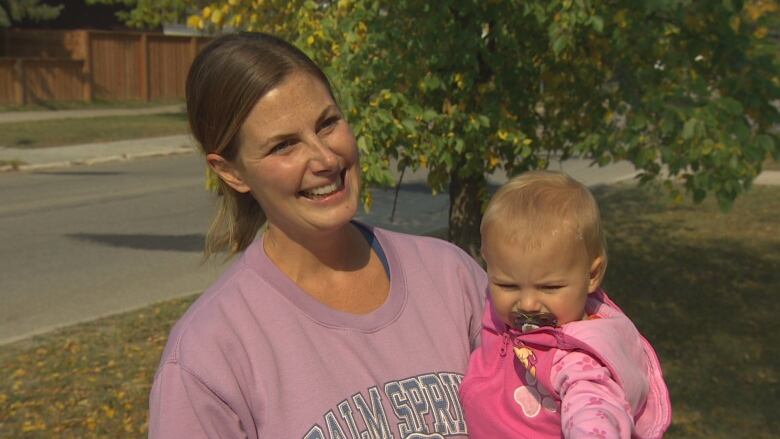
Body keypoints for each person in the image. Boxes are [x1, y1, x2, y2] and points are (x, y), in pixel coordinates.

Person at [148, 32, 487, 439]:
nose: (325, 159)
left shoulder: (452, 279)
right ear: (231, 172)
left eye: (327, 124)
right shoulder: (209, 356)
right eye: (284, 146)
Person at [459, 171, 671, 438]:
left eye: (550, 287)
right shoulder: (500, 307)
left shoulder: (577, 358)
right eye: (508, 285)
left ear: (592, 275)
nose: (527, 304)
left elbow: (595, 409)